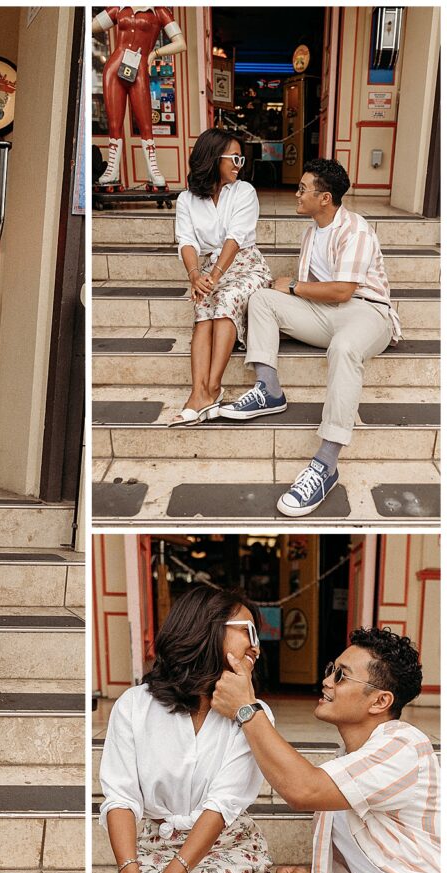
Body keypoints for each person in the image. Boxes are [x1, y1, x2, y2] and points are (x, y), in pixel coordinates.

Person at [213, 626, 440, 873]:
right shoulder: (346, 761)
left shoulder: (404, 744)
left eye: (341, 675)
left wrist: (247, 710)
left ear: (380, 702)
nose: (326, 681)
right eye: (330, 668)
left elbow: (302, 789)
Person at [100, 587, 272, 873]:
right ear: (207, 630)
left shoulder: (253, 716)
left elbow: (222, 806)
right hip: (154, 844)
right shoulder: (134, 706)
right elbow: (120, 797)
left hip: (228, 846)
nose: (256, 646)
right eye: (246, 630)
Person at [219, 158, 400, 516]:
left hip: (368, 313)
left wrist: (295, 285)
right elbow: (318, 292)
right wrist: (287, 288)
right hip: (326, 314)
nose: (296, 194)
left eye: (303, 189)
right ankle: (269, 389)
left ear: (325, 197)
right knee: (262, 300)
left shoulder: (356, 231)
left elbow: (343, 291)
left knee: (345, 347)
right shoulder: (313, 229)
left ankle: (326, 463)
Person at [170, 129, 272, 426]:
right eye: (234, 157)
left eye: (242, 158)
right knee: (202, 307)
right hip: (208, 269)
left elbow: (236, 238)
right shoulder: (186, 200)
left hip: (246, 266)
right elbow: (186, 241)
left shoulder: (244, 192)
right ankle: (196, 392)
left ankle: (213, 388)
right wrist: (194, 277)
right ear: (213, 157)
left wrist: (212, 277)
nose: (239, 163)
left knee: (224, 299)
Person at [92, 7, 186, 189]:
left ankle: (153, 170)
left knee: (145, 123)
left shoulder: (159, 11)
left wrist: (154, 54)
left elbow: (181, 43)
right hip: (114, 68)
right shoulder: (119, 8)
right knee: (114, 122)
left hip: (139, 68)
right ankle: (112, 169)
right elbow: (93, 26)